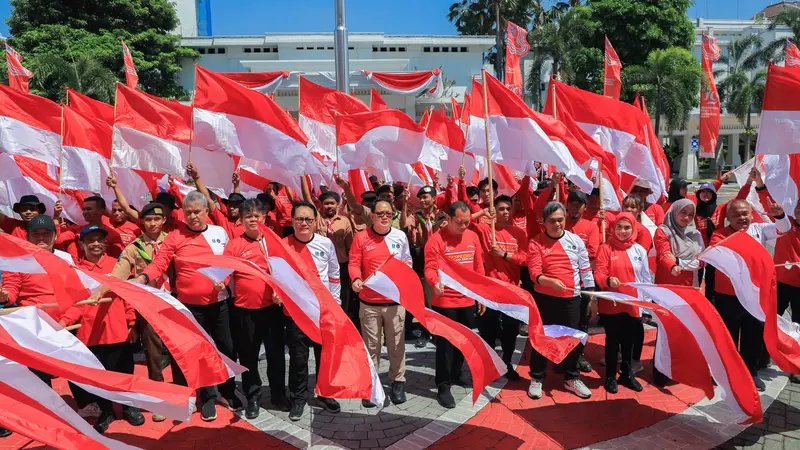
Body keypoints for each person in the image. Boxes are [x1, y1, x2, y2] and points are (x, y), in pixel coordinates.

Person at [133, 191, 237, 422]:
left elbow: (230, 263)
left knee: (226, 348)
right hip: (190, 308)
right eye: (188, 212)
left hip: (219, 304)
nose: (192, 216)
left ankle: (228, 392)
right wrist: (142, 278)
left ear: (206, 212)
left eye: (197, 211)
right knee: (196, 353)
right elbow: (160, 263)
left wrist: (226, 281)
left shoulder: (219, 233)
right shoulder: (175, 236)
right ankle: (204, 397)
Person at [58, 225, 144, 433]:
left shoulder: (117, 265)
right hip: (91, 335)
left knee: (125, 373)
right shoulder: (76, 272)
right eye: (90, 240)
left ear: (105, 243)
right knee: (99, 377)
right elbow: (75, 304)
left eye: (99, 239)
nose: (95, 243)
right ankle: (107, 411)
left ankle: (128, 407)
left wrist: (131, 323)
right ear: (82, 245)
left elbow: (127, 296)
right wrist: (64, 322)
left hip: (118, 331)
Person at [710, 199, 790, 391]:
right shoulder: (718, 234)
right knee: (728, 335)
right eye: (736, 215)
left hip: (754, 295)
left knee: (753, 335)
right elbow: (720, 256)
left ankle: (750, 372)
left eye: (745, 213)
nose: (742, 218)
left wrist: (779, 215)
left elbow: (783, 229)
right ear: (728, 217)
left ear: (751, 214)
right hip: (728, 295)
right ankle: (727, 371)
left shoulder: (759, 229)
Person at [101, 202, 170, 422]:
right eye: (148, 220)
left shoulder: (173, 241)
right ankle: (159, 399)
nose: (152, 223)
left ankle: (188, 392)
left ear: (163, 221)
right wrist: (101, 291)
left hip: (176, 304)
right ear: (141, 222)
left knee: (181, 351)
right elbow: (119, 272)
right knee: (153, 354)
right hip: (149, 306)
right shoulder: (134, 247)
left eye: (156, 219)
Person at [224, 199, 290, 419]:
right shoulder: (234, 245)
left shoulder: (274, 243)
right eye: (248, 216)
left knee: (276, 355)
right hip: (245, 311)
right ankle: (253, 396)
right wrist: (219, 282)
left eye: (257, 215)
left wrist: (279, 290)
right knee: (249, 356)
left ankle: (278, 394)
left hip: (272, 310)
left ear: (265, 218)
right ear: (241, 221)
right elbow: (224, 273)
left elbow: (285, 273)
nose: (253, 219)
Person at [527, 202, 595, 400]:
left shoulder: (575, 240)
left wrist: (590, 295)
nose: (557, 224)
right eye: (552, 221)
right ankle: (537, 377)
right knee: (541, 339)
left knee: (572, 340)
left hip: (572, 299)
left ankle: (572, 377)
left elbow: (585, 270)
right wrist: (549, 281)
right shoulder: (536, 242)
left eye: (560, 220)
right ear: (544, 222)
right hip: (545, 299)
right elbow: (534, 274)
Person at [350, 198, 413, 408]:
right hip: (369, 303)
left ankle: (397, 382)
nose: (385, 217)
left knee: (396, 345)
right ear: (373, 216)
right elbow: (354, 263)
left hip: (394, 302)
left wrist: (407, 271)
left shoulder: (400, 236)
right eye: (380, 214)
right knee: (371, 346)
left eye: (388, 214)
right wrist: (356, 279)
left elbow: (407, 260)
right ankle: (372, 384)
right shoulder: (361, 238)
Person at [424, 201, 486, 408]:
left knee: (464, 341)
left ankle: (458, 373)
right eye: (459, 222)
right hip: (445, 301)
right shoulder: (436, 241)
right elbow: (430, 268)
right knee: (445, 346)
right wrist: (435, 283)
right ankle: (443, 384)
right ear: (448, 219)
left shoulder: (473, 237)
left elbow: (478, 268)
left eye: (467, 222)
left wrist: (481, 296)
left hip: (467, 300)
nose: (464, 226)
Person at [284, 201, 342, 420]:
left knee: (325, 355)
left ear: (315, 221)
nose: (304, 223)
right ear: (292, 221)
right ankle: (298, 398)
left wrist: (335, 303)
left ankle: (325, 393)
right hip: (297, 312)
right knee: (298, 358)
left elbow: (335, 274)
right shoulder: (283, 245)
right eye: (299, 219)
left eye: (308, 219)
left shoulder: (325, 244)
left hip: (323, 311)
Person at [472, 195, 527, 380]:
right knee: (488, 330)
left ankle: (507, 363)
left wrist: (504, 255)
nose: (505, 212)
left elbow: (525, 259)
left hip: (511, 290)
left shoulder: (519, 234)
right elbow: (465, 221)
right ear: (495, 211)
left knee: (510, 331)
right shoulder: (486, 230)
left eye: (507, 208)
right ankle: (490, 364)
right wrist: (482, 212)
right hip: (489, 290)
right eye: (500, 209)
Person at [594, 213, 651, 394]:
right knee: (612, 341)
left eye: (627, 227)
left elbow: (645, 279)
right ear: (613, 228)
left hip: (632, 304)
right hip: (612, 304)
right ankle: (610, 375)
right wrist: (608, 280)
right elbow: (599, 273)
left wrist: (646, 305)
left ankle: (626, 374)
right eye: (619, 227)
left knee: (629, 341)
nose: (622, 231)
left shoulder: (639, 251)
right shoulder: (605, 248)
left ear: (633, 229)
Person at [1, 215, 75, 319]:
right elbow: (11, 287)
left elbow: (75, 292)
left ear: (56, 235)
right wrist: (5, 297)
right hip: (33, 324)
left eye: (46, 234)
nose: (41, 238)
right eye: (35, 234)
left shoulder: (66, 258)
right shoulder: (16, 261)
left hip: (67, 324)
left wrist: (67, 320)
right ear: (27, 237)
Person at [401, 185, 446, 348]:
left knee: (437, 297)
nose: (422, 200)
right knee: (423, 299)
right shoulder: (416, 216)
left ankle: (439, 331)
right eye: (420, 197)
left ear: (434, 198)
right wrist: (405, 204)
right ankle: (426, 332)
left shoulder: (442, 216)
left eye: (426, 197)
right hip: (421, 260)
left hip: (438, 262)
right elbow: (404, 225)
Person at [564, 190, 600, 374]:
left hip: (583, 283)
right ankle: (563, 356)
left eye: (579, 204)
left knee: (581, 323)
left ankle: (578, 355)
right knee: (563, 322)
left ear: (585, 208)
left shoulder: (591, 227)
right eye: (572, 202)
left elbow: (593, 252)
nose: (575, 206)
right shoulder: (559, 223)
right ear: (566, 204)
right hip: (562, 283)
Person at [654, 200, 705, 287]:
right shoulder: (663, 231)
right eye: (683, 212)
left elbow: (702, 262)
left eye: (690, 215)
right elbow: (664, 254)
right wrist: (672, 266)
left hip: (690, 283)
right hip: (667, 282)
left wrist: (678, 262)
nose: (686, 218)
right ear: (675, 211)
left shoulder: (696, 234)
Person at [56, 196, 124, 260]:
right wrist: (56, 217)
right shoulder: (76, 230)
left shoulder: (114, 235)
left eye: (89, 209)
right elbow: (57, 242)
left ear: (101, 211)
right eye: (84, 209)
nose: (85, 212)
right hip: (80, 270)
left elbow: (117, 261)